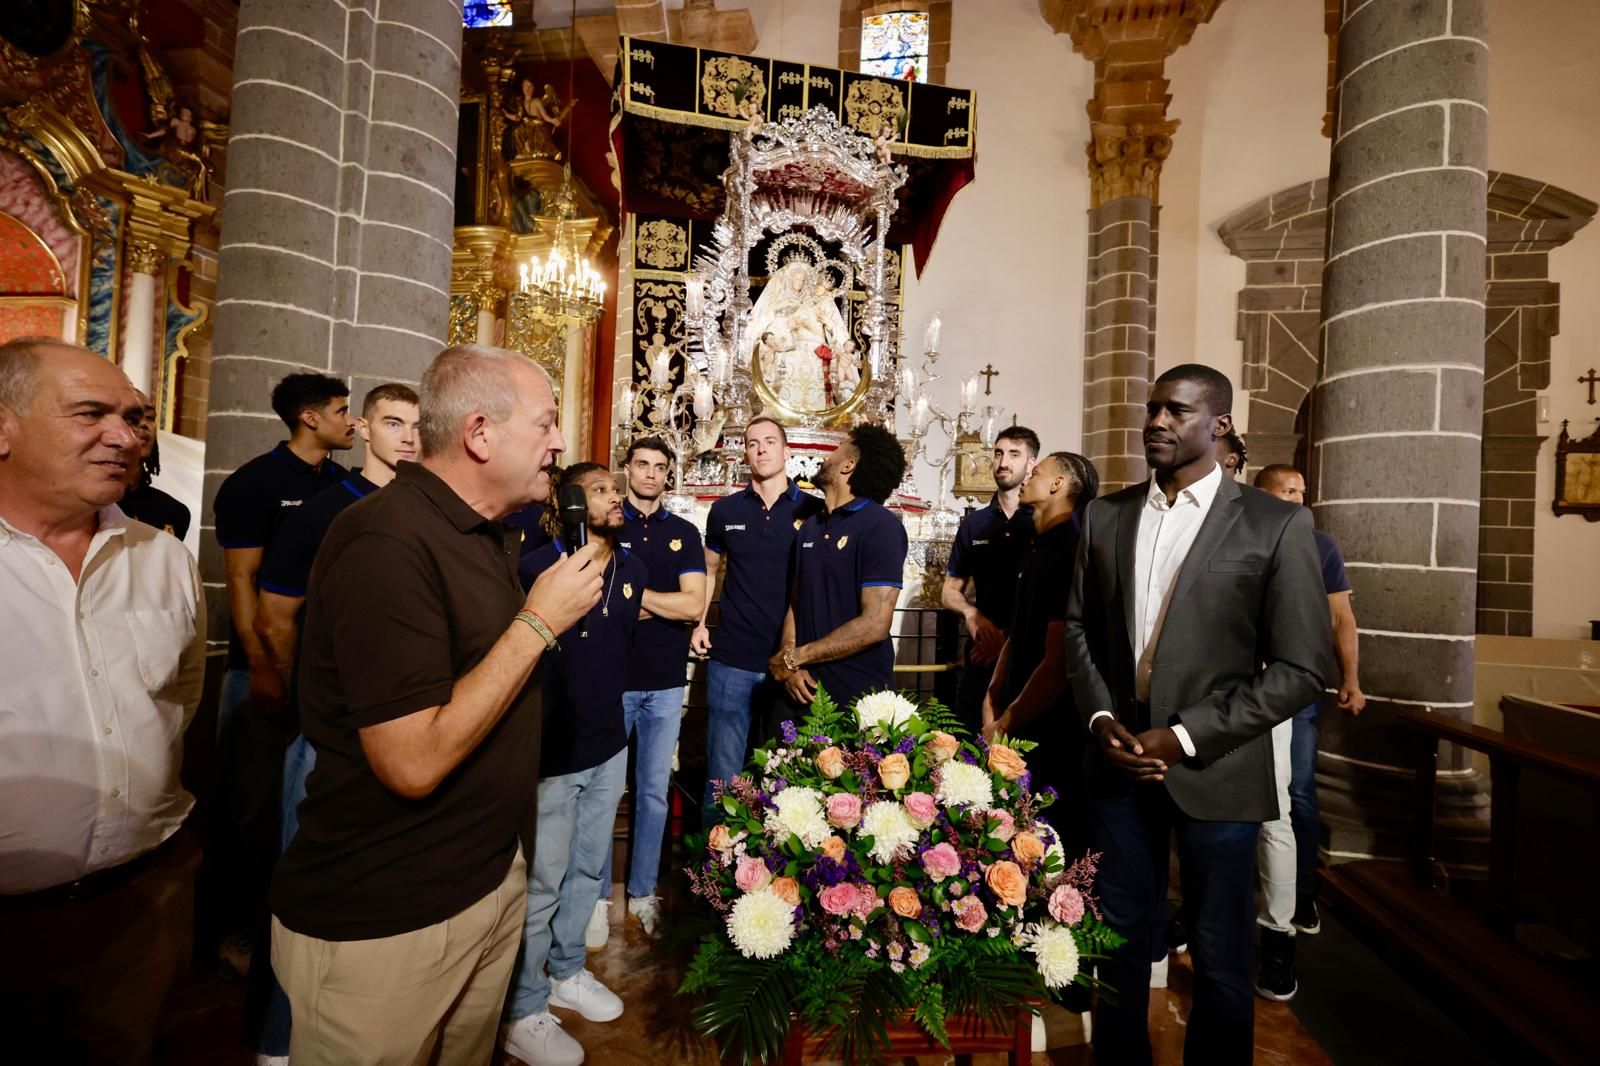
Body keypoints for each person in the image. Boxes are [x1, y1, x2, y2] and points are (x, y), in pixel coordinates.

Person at [269, 345, 603, 1066]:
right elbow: (412, 760)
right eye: (546, 424)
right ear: (480, 434)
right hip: (388, 914)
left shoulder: (483, 536)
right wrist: (540, 623)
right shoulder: (384, 540)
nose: (560, 444)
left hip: (480, 880)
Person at [1064, 363, 1331, 1066]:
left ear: (1220, 426)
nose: (1156, 421)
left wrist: (1184, 737)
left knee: (1218, 952)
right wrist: (1100, 721)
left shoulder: (1275, 524)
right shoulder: (1106, 515)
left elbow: (1306, 668)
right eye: (1153, 408)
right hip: (1119, 757)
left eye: (1176, 411)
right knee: (1116, 940)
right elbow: (1078, 630)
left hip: (1217, 766)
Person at [0, 338, 206, 1065]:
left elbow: (179, 699)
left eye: (136, 418)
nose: (125, 437)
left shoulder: (162, 558)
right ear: (4, 426)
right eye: (92, 413)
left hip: (141, 901)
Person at [247, 382, 420, 1063]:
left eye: (415, 424)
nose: (407, 436)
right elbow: (275, 618)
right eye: (391, 422)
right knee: (304, 898)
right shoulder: (323, 512)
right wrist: (309, 706)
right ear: (365, 430)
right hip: (325, 737)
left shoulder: (419, 513)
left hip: (393, 733)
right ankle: (279, 1043)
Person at [504, 464, 648, 1066]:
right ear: (566, 502)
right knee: (542, 880)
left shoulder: (633, 569)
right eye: (599, 491)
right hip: (553, 749)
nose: (614, 497)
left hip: (608, 743)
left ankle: (566, 971)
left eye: (616, 489)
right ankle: (523, 1005)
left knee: (589, 873)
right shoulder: (538, 568)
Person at [211, 371, 353, 978]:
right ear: (310, 418)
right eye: (344, 411)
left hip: (317, 671)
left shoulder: (342, 484)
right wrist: (264, 669)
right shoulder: (254, 484)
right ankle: (241, 933)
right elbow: (243, 583)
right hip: (262, 669)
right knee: (254, 805)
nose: (354, 422)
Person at [1249, 463, 1366, 1002]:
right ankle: (1215, 920)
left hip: (1285, 689)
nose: (1299, 499)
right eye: (1286, 491)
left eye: (1301, 491)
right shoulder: (1239, 532)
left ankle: (1285, 921)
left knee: (1286, 801)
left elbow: (1337, 617)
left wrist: (1349, 678)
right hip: (1228, 692)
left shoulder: (1317, 546)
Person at [693, 416, 825, 820]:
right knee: (723, 777)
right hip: (732, 657)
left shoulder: (814, 509)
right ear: (745, 454)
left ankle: (773, 876)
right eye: (753, 443)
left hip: (791, 662)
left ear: (788, 452)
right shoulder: (725, 511)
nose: (762, 449)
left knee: (786, 775)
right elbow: (708, 570)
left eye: (770, 442)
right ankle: (713, 874)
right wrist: (698, 623)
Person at [606, 437, 706, 940]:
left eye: (659, 467)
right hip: (613, 679)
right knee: (604, 793)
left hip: (666, 682)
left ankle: (643, 892)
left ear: (669, 475)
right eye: (641, 465)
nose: (649, 474)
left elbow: (692, 607)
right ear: (626, 469)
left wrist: (633, 598)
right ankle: (597, 897)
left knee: (652, 792)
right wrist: (656, 604)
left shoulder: (684, 533)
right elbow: (594, 599)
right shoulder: (608, 522)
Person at [981, 451, 1099, 837]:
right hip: (1013, 714)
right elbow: (1019, 631)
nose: (1028, 473)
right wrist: (992, 695)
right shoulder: (1037, 545)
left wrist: (1006, 721)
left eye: (1039, 470)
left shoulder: (1070, 550)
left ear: (1057, 485)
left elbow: (1058, 659)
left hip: (1048, 726)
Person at [771, 423, 908, 710]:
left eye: (836, 450)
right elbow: (796, 606)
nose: (826, 457)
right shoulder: (810, 528)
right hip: (804, 692)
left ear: (849, 465)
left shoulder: (881, 527)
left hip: (858, 697)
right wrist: (790, 662)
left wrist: (798, 657)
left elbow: (874, 625)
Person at [942, 424, 1040, 730]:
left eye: (1014, 454)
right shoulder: (974, 524)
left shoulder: (1043, 519)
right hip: (981, 655)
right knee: (971, 750)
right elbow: (948, 592)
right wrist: (973, 616)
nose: (1003, 462)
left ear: (1031, 463)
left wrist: (1007, 648)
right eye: (998, 453)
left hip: (1029, 659)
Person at [119, 388, 191, 539]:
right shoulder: (90, 506)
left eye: (150, 417)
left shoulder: (173, 512)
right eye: (133, 417)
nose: (144, 424)